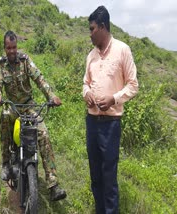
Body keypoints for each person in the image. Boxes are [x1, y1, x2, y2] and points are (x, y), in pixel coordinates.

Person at [0, 30, 66, 201]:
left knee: (44, 134)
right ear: (4, 48)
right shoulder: (2, 64)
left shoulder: (25, 60)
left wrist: (51, 96)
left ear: (17, 46)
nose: (12, 51)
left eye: (14, 47)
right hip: (12, 106)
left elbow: (40, 79)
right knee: (4, 117)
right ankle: (5, 164)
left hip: (28, 105)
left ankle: (53, 184)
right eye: (8, 48)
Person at [83, 6, 138, 214]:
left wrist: (113, 98)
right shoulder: (91, 56)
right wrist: (86, 92)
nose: (90, 34)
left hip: (110, 125)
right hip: (92, 122)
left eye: (92, 29)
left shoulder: (122, 50)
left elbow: (133, 85)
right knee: (96, 176)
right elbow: (85, 83)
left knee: (109, 178)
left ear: (103, 27)